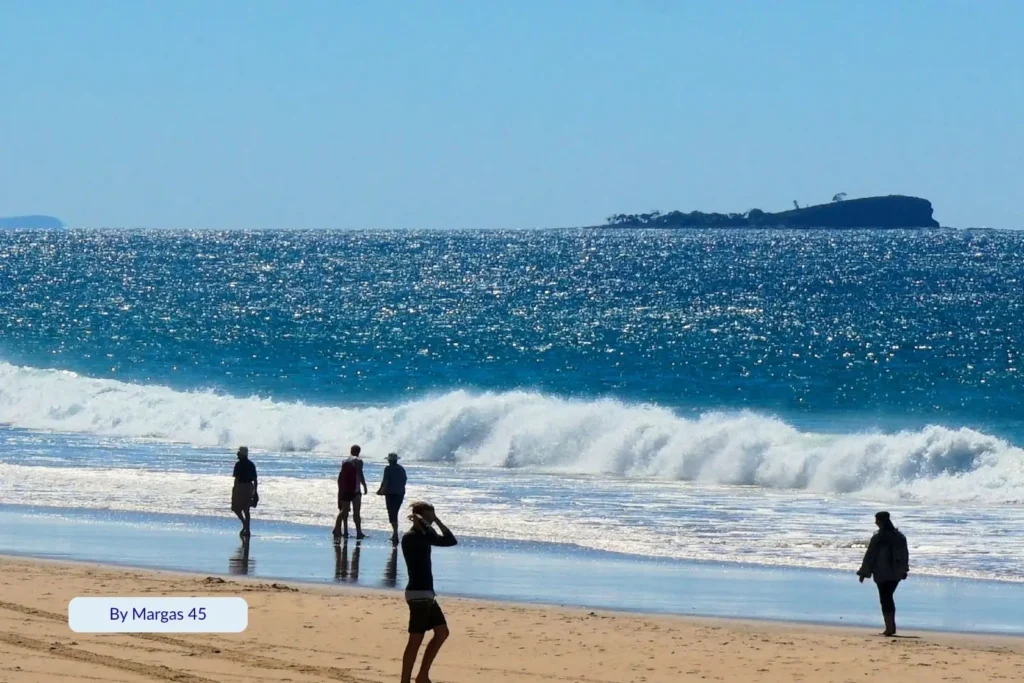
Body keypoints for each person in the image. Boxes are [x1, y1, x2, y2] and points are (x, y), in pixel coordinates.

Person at [400, 501, 457, 683]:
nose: (430, 522)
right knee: (415, 639)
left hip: (427, 594)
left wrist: (437, 520)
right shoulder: (410, 537)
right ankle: (405, 680)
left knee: (442, 632)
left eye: (432, 518)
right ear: (418, 518)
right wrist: (423, 523)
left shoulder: (425, 535)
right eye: (428, 518)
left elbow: (450, 540)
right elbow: (432, 537)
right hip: (418, 595)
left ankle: (423, 675)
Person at [858, 510, 909, 636]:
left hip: (882, 572)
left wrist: (864, 573)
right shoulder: (900, 536)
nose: (875, 522)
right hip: (896, 573)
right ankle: (891, 627)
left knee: (885, 598)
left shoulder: (878, 538)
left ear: (881, 521)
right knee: (888, 597)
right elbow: (905, 555)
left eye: (876, 520)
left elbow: (870, 556)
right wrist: (904, 570)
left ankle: (889, 628)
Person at [333, 444, 368, 539]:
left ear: (350, 451)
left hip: (344, 489)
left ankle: (338, 529)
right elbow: (360, 474)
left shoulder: (344, 461)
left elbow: (341, 476)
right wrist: (364, 485)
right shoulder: (358, 461)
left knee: (344, 510)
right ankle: (359, 532)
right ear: (359, 452)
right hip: (355, 490)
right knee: (356, 512)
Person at [378, 452, 408, 544]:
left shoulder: (388, 469)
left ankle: (395, 534)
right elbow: (404, 480)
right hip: (400, 493)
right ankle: (395, 534)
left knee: (392, 513)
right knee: (395, 512)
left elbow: (385, 481)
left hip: (390, 493)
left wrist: (381, 490)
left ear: (389, 460)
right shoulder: (401, 468)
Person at [231, 446, 258, 538]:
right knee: (246, 510)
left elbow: (236, 479)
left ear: (242, 454)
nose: (237, 455)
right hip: (250, 487)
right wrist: (255, 491)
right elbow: (255, 480)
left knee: (235, 508)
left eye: (239, 454)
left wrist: (234, 489)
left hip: (240, 486)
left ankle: (245, 525)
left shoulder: (238, 465)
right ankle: (247, 528)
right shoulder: (251, 464)